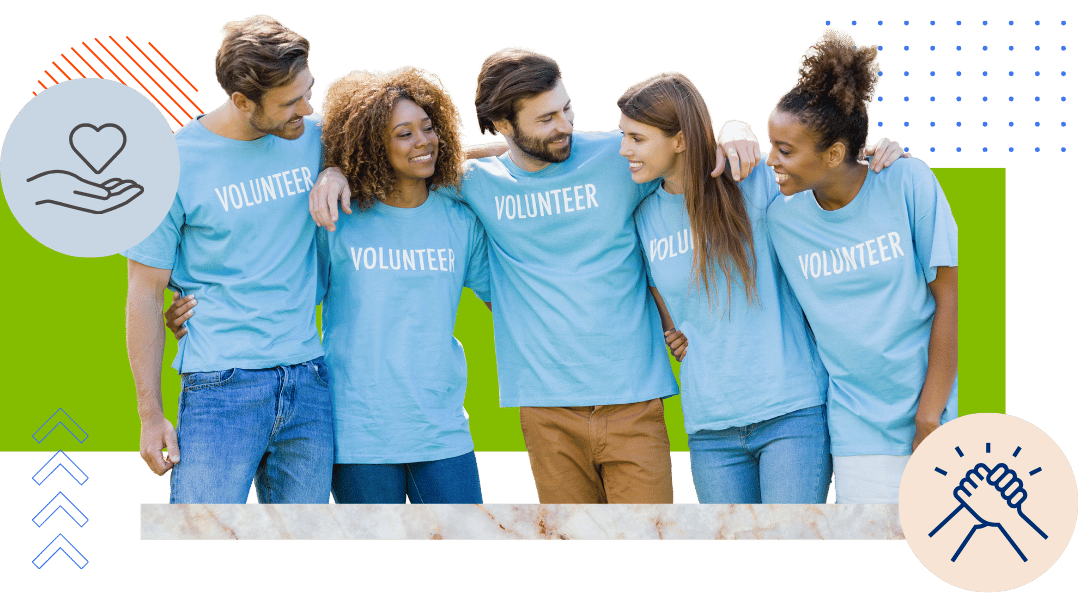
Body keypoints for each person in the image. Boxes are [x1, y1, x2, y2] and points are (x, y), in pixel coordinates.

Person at [124, 15, 333, 503]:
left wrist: (338, 170)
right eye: (290, 102)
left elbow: (428, 157)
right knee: (204, 544)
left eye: (308, 90)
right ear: (241, 101)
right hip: (221, 387)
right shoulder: (171, 164)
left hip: (309, 378)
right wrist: (150, 416)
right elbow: (144, 294)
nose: (308, 108)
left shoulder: (315, 135)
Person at [765, 28, 959, 504]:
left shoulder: (908, 182)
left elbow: (947, 300)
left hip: (931, 418)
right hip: (856, 432)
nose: (772, 160)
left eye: (786, 150)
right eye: (771, 144)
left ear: (833, 154)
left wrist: (929, 416)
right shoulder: (780, 218)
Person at [619, 72, 831, 503]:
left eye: (637, 139)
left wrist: (880, 153)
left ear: (679, 139)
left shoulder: (752, 182)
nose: (624, 150)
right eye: (624, 136)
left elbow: (829, 176)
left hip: (789, 412)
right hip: (709, 427)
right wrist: (673, 331)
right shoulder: (643, 219)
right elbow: (668, 306)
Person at [315, 66, 489, 503]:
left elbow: (506, 301)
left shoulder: (460, 219)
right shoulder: (338, 218)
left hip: (441, 428)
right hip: (359, 431)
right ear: (373, 144)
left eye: (428, 128)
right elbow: (286, 294)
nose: (423, 142)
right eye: (404, 134)